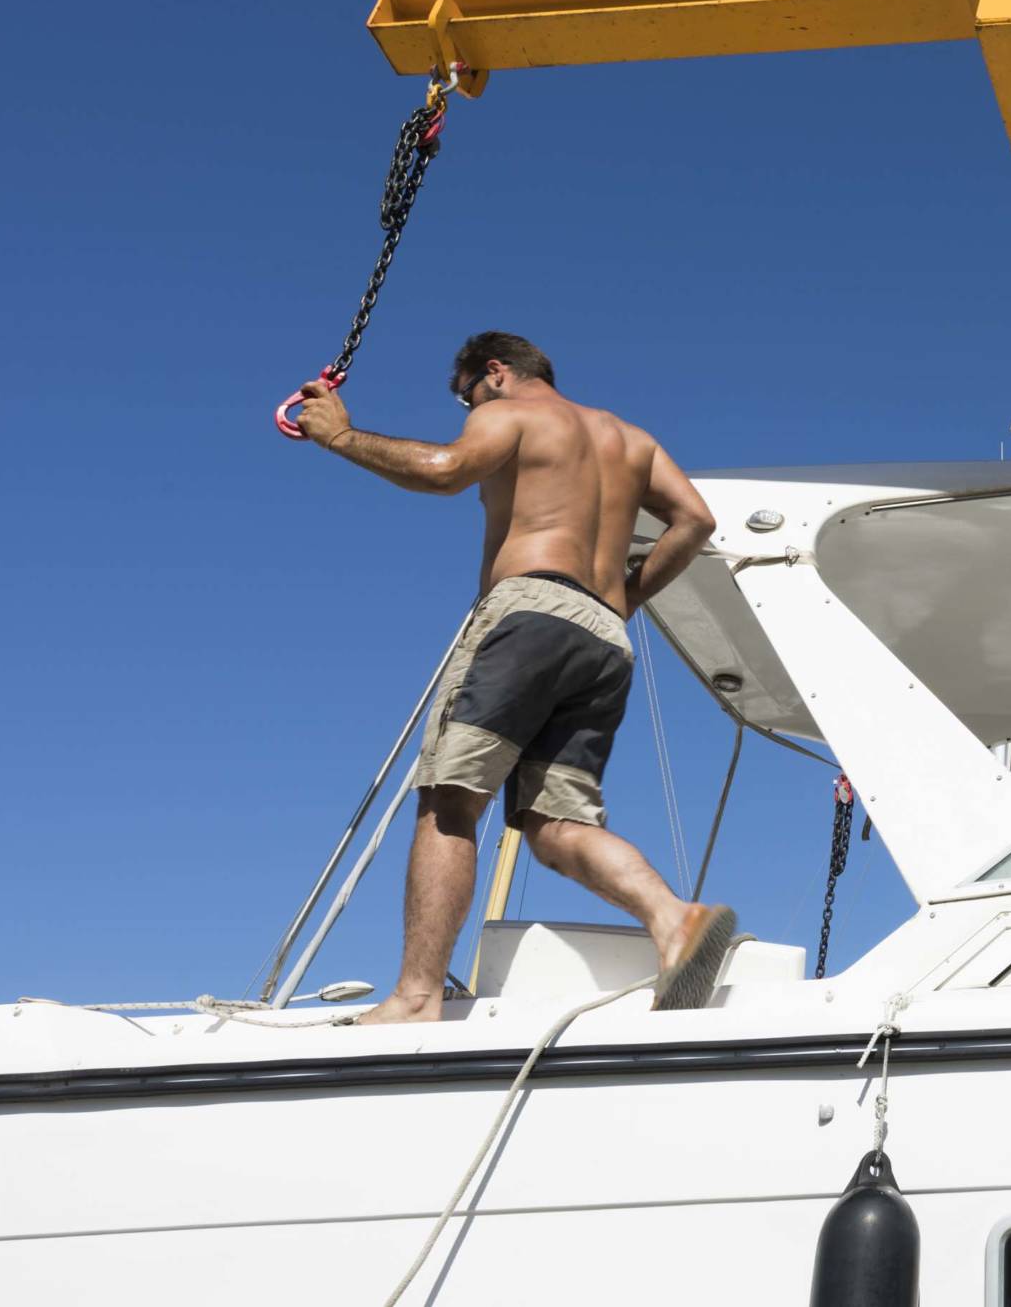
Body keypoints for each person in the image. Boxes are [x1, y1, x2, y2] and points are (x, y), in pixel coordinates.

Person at [295, 331, 732, 1023]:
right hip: (604, 635)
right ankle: (675, 918)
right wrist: (627, 595)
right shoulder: (631, 439)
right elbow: (695, 519)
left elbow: (444, 468)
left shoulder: (515, 412)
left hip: (527, 613)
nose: (467, 404)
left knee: (452, 797)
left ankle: (415, 997)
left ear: (495, 372)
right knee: (554, 825)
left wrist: (341, 437)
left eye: (465, 393)